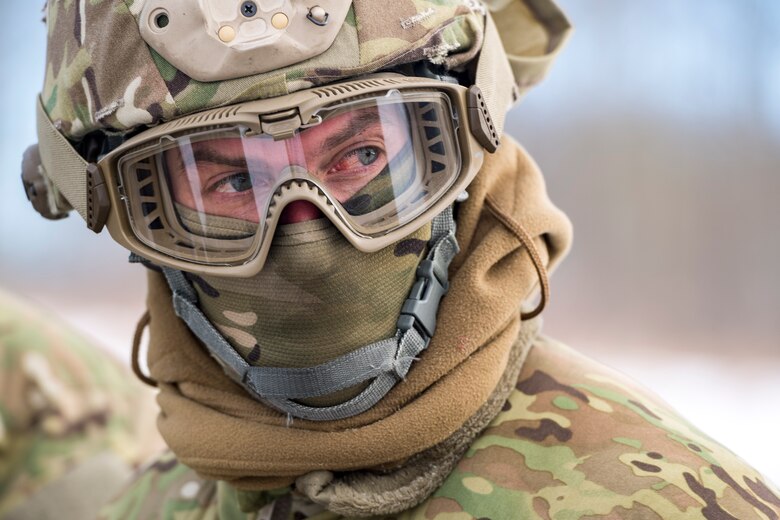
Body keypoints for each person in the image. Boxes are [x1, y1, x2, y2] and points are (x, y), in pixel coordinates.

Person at [13, 0, 780, 518]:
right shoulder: (148, 507)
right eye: (232, 181)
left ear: (471, 141)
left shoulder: (670, 499)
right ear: (122, 210)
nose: (306, 235)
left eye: (364, 155)